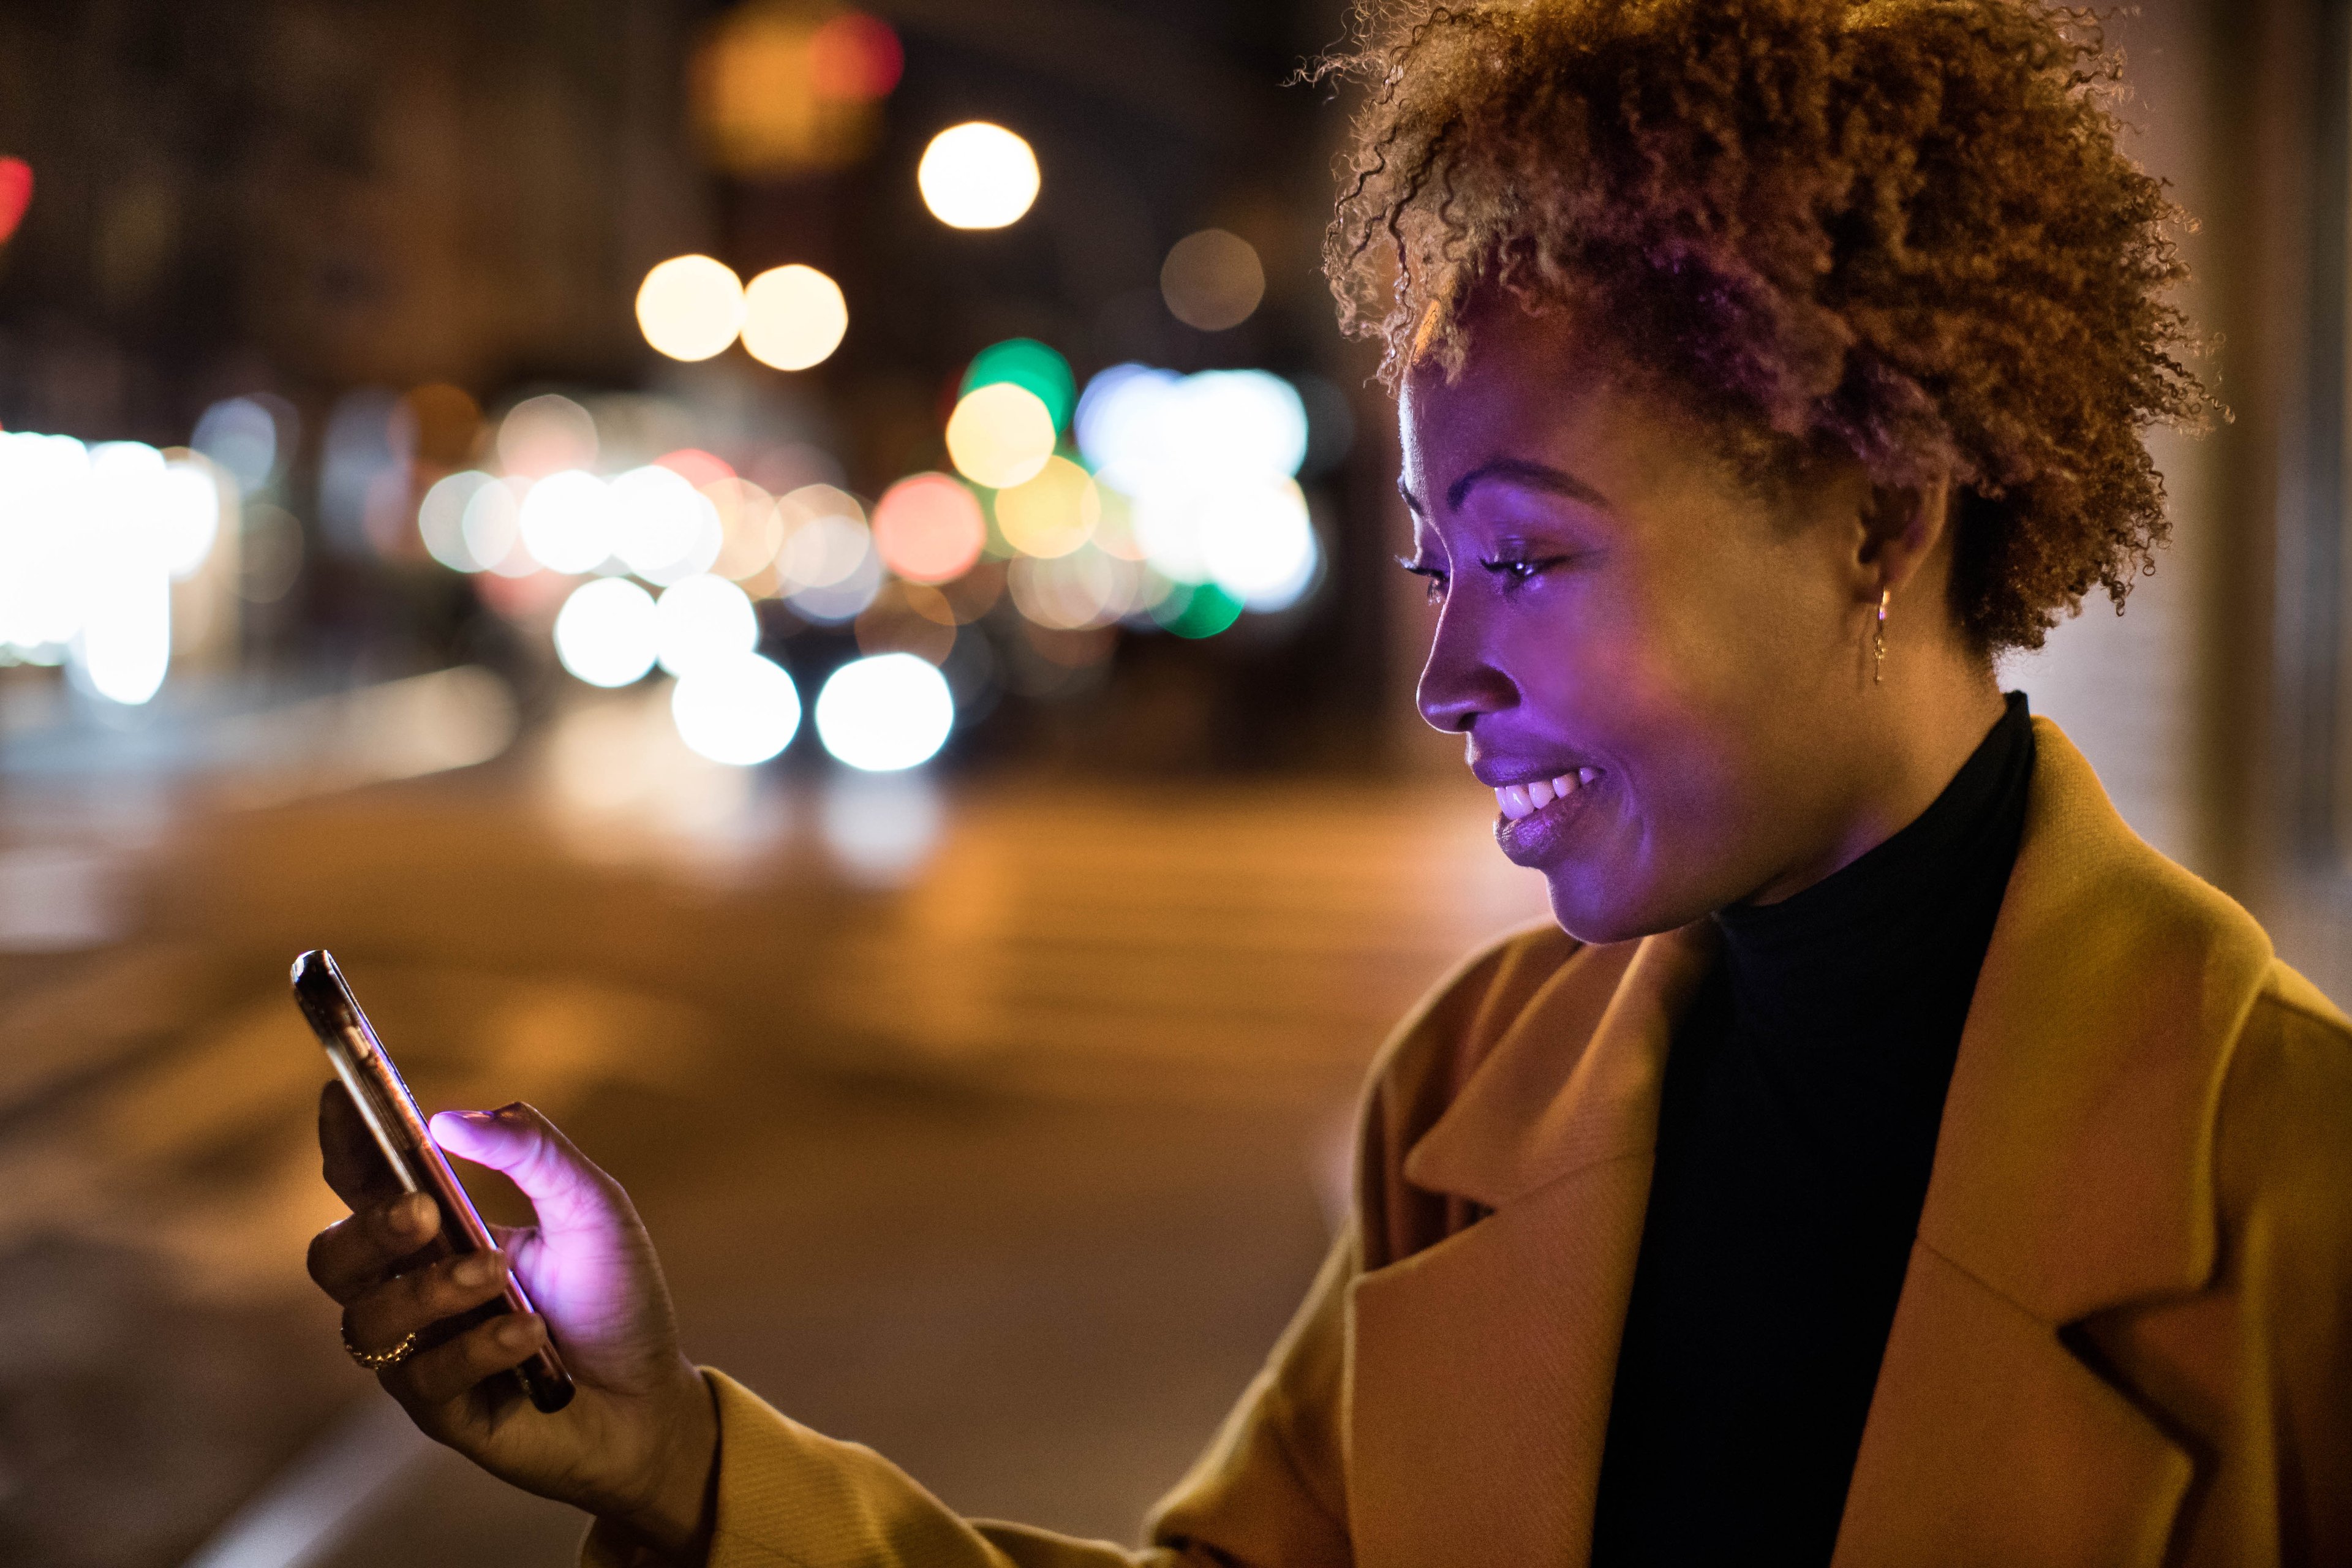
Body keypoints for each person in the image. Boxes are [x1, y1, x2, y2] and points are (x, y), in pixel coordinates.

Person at [305, 1, 2352, 1562]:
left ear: (1877, 518)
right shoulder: (1476, 1084)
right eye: (1433, 567)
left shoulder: (2300, 1203)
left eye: (1533, 556)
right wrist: (679, 1459)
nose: (1456, 673)